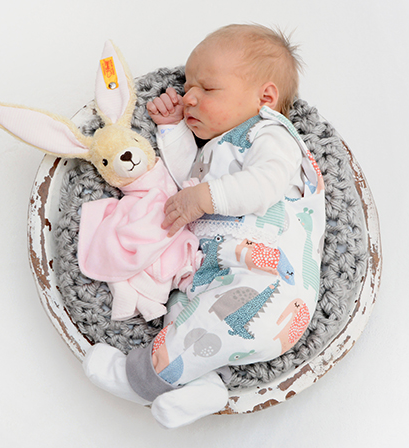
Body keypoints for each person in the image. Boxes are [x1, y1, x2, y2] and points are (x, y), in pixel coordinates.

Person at [82, 23, 326, 428]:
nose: (189, 96)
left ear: (265, 98)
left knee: (209, 324)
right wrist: (172, 128)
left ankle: (140, 379)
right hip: (213, 272)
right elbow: (188, 180)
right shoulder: (218, 146)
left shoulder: (271, 134)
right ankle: (206, 385)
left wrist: (202, 199)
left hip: (269, 281)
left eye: (207, 89)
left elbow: (263, 185)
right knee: (183, 316)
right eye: (188, 87)